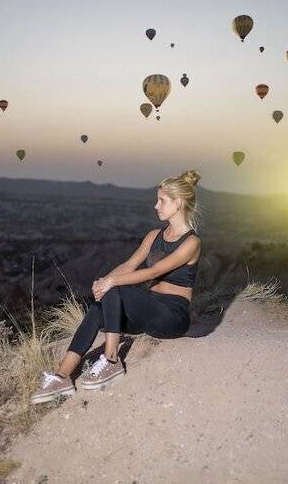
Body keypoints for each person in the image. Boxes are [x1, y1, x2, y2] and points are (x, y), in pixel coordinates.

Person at [31, 170, 203, 404]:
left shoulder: (192, 242)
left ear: (178, 202)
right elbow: (130, 264)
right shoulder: (154, 235)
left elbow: (153, 272)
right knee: (98, 308)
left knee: (115, 289)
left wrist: (111, 284)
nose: (156, 206)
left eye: (161, 200)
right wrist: (104, 281)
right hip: (149, 311)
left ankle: (111, 360)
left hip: (172, 317)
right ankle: (62, 376)